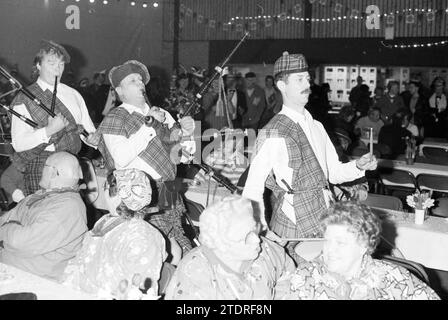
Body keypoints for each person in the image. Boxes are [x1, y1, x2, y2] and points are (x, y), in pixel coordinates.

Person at [242, 52, 377, 262]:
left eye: (307, 78)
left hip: (325, 215)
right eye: (299, 79)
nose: (308, 83)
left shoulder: (317, 126)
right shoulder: (272, 131)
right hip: (293, 222)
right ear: (282, 85)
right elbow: (252, 188)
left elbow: (332, 174)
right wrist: (262, 229)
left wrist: (358, 166)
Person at [96, 60, 195, 255]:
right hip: (139, 196)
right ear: (120, 90)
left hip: (169, 189)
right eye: (133, 80)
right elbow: (121, 159)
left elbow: (185, 157)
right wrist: (149, 125)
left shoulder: (163, 114)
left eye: (141, 80)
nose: (140, 83)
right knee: (153, 250)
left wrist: (188, 133)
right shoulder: (115, 118)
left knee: (181, 248)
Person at [283, 202, 440, 300]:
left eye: (341, 243)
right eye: (327, 240)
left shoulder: (395, 277)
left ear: (364, 245)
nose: (330, 250)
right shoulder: (307, 276)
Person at [62, 168, 171, 299]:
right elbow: (80, 261)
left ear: (118, 195)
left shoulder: (144, 237)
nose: (104, 191)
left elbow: (138, 292)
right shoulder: (105, 221)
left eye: (105, 187)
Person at [10, 40, 98, 196]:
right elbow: (19, 143)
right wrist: (49, 131)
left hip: (71, 163)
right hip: (42, 165)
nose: (57, 69)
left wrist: (92, 139)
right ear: (38, 65)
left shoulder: (74, 95)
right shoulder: (24, 98)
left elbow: (88, 130)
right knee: (41, 216)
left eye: (61, 64)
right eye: (51, 63)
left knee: (69, 214)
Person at [165, 196, 295, 300]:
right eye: (246, 237)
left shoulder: (267, 251)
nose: (257, 240)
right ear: (221, 245)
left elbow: (288, 275)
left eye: (255, 231)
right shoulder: (195, 273)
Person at [0, 152, 87, 281]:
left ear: (53, 172)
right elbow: (5, 220)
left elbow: (21, 242)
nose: (41, 169)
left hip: (30, 279)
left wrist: (6, 228)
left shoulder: (68, 207)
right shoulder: (41, 195)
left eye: (44, 166)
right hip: (10, 268)